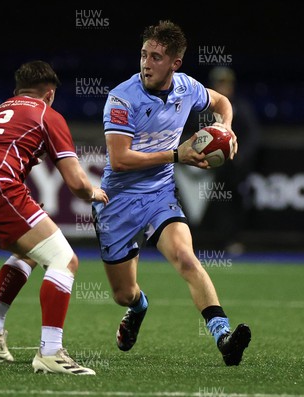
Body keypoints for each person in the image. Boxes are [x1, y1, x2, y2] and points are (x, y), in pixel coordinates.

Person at [92, 20, 251, 366]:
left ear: (175, 64)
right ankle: (138, 306)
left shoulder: (186, 88)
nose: (146, 63)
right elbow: (119, 161)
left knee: (186, 257)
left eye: (156, 57)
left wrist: (225, 126)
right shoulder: (121, 98)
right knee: (123, 294)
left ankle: (223, 337)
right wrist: (178, 154)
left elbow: (222, 101)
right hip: (117, 201)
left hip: (159, 194)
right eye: (144, 55)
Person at [0, 60, 108, 375]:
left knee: (30, 251)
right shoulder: (46, 114)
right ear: (49, 94)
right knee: (65, 260)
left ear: (16, 90)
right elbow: (76, 183)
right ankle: (50, 352)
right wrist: (94, 193)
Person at [199, 66, 262, 255]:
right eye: (219, 83)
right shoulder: (204, 110)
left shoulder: (241, 108)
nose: (223, 87)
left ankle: (233, 239)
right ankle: (214, 239)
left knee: (236, 202)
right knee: (216, 204)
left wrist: (241, 156)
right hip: (213, 168)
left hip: (236, 167)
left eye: (226, 83)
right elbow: (196, 134)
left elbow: (253, 136)